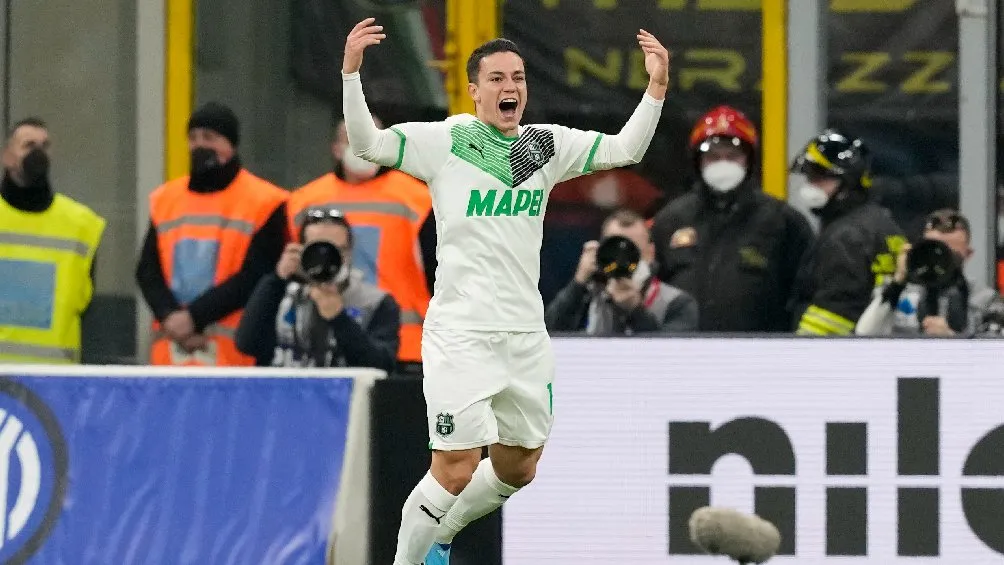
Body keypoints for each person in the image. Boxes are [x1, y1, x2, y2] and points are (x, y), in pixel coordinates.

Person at [340, 17, 670, 565]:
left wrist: (655, 88)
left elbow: (624, 149)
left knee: (519, 466)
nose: (509, 86)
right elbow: (366, 144)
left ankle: (442, 536)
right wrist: (351, 74)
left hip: (524, 334)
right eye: (495, 78)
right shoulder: (446, 141)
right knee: (455, 466)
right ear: (474, 90)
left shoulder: (543, 146)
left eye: (517, 77)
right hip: (461, 332)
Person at [135, 102, 289, 366]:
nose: (199, 145)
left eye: (209, 137)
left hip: (237, 357)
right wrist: (169, 315)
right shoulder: (166, 199)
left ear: (231, 145)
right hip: (171, 356)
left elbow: (258, 275)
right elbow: (148, 270)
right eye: (193, 138)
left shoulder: (265, 201)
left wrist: (192, 318)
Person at [286, 117, 433, 374]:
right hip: (315, 340)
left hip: (402, 344)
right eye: (353, 138)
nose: (363, 146)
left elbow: (440, 273)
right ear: (336, 148)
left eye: (373, 138)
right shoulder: (303, 201)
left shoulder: (418, 199)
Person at [650, 105, 815, 332]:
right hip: (682, 348)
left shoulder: (783, 222)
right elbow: (651, 291)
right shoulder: (670, 221)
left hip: (760, 349)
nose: (723, 163)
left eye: (732, 156)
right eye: (713, 157)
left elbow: (804, 295)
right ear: (698, 161)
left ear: (748, 161)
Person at [235, 206, 400, 371]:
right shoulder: (281, 290)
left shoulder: (374, 301)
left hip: (344, 388)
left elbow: (382, 365)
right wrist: (277, 279)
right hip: (284, 387)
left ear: (350, 253)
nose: (326, 258)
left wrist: (339, 319)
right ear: (301, 250)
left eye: (337, 250)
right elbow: (247, 344)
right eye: (317, 249)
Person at [0, 117, 105, 363]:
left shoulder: (80, 225)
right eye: (28, 145)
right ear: (7, 158)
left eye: (44, 146)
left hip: (56, 377)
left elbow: (85, 304)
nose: (38, 154)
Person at [789, 130, 907, 336]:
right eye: (809, 177)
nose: (810, 185)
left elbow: (837, 312)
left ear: (849, 182)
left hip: (843, 350)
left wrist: (799, 347)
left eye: (820, 177)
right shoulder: (883, 224)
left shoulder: (846, 237)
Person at [545, 208, 698, 334]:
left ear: (650, 253)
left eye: (632, 252)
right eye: (615, 251)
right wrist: (578, 283)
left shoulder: (677, 304)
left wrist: (635, 311)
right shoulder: (589, 296)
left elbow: (669, 355)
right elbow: (548, 335)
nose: (623, 261)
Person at [855, 209, 998, 337]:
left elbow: (994, 351)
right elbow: (864, 334)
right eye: (934, 251)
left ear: (968, 254)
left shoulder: (984, 299)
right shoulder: (897, 292)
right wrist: (898, 282)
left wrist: (952, 339)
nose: (941, 260)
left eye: (949, 254)